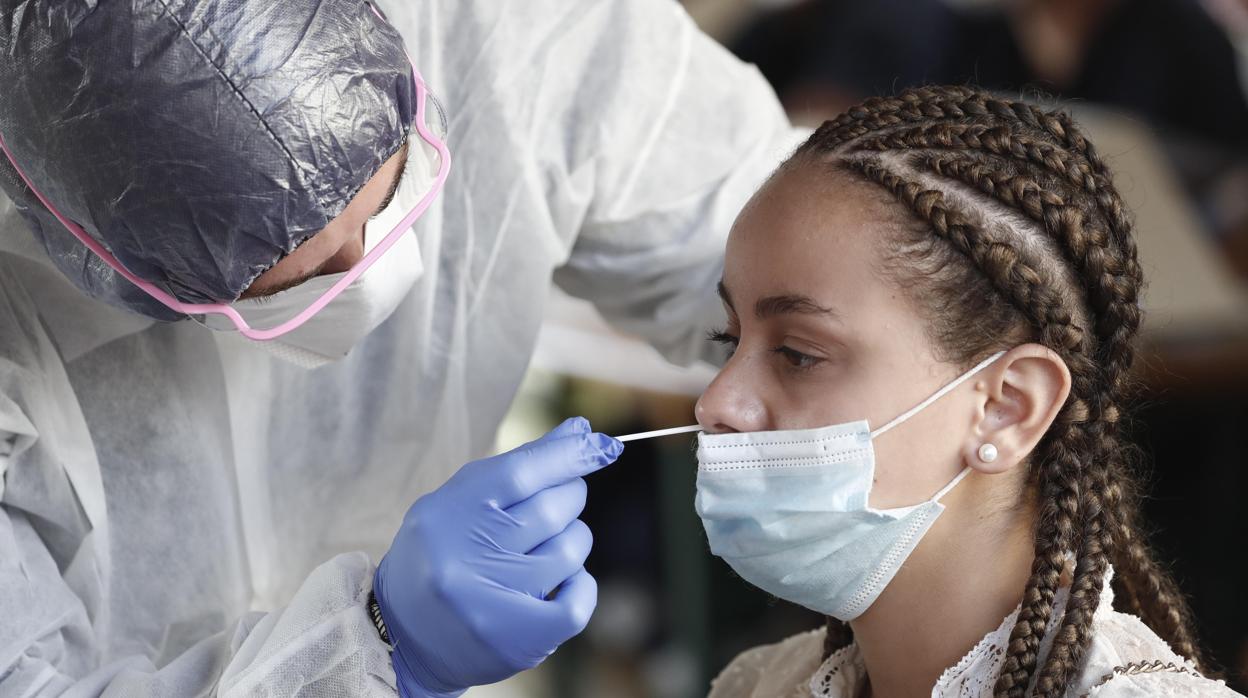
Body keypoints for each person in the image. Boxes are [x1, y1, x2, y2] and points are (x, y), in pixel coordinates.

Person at [0, 0, 798, 696]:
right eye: (294, 277)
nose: (371, 278)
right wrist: (377, 655)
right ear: (105, 258)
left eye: (387, 197)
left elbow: (803, 242)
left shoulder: (518, 30)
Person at [692, 85, 1242, 696]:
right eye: (729, 338)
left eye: (799, 354)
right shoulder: (761, 685)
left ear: (1007, 409)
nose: (714, 403)